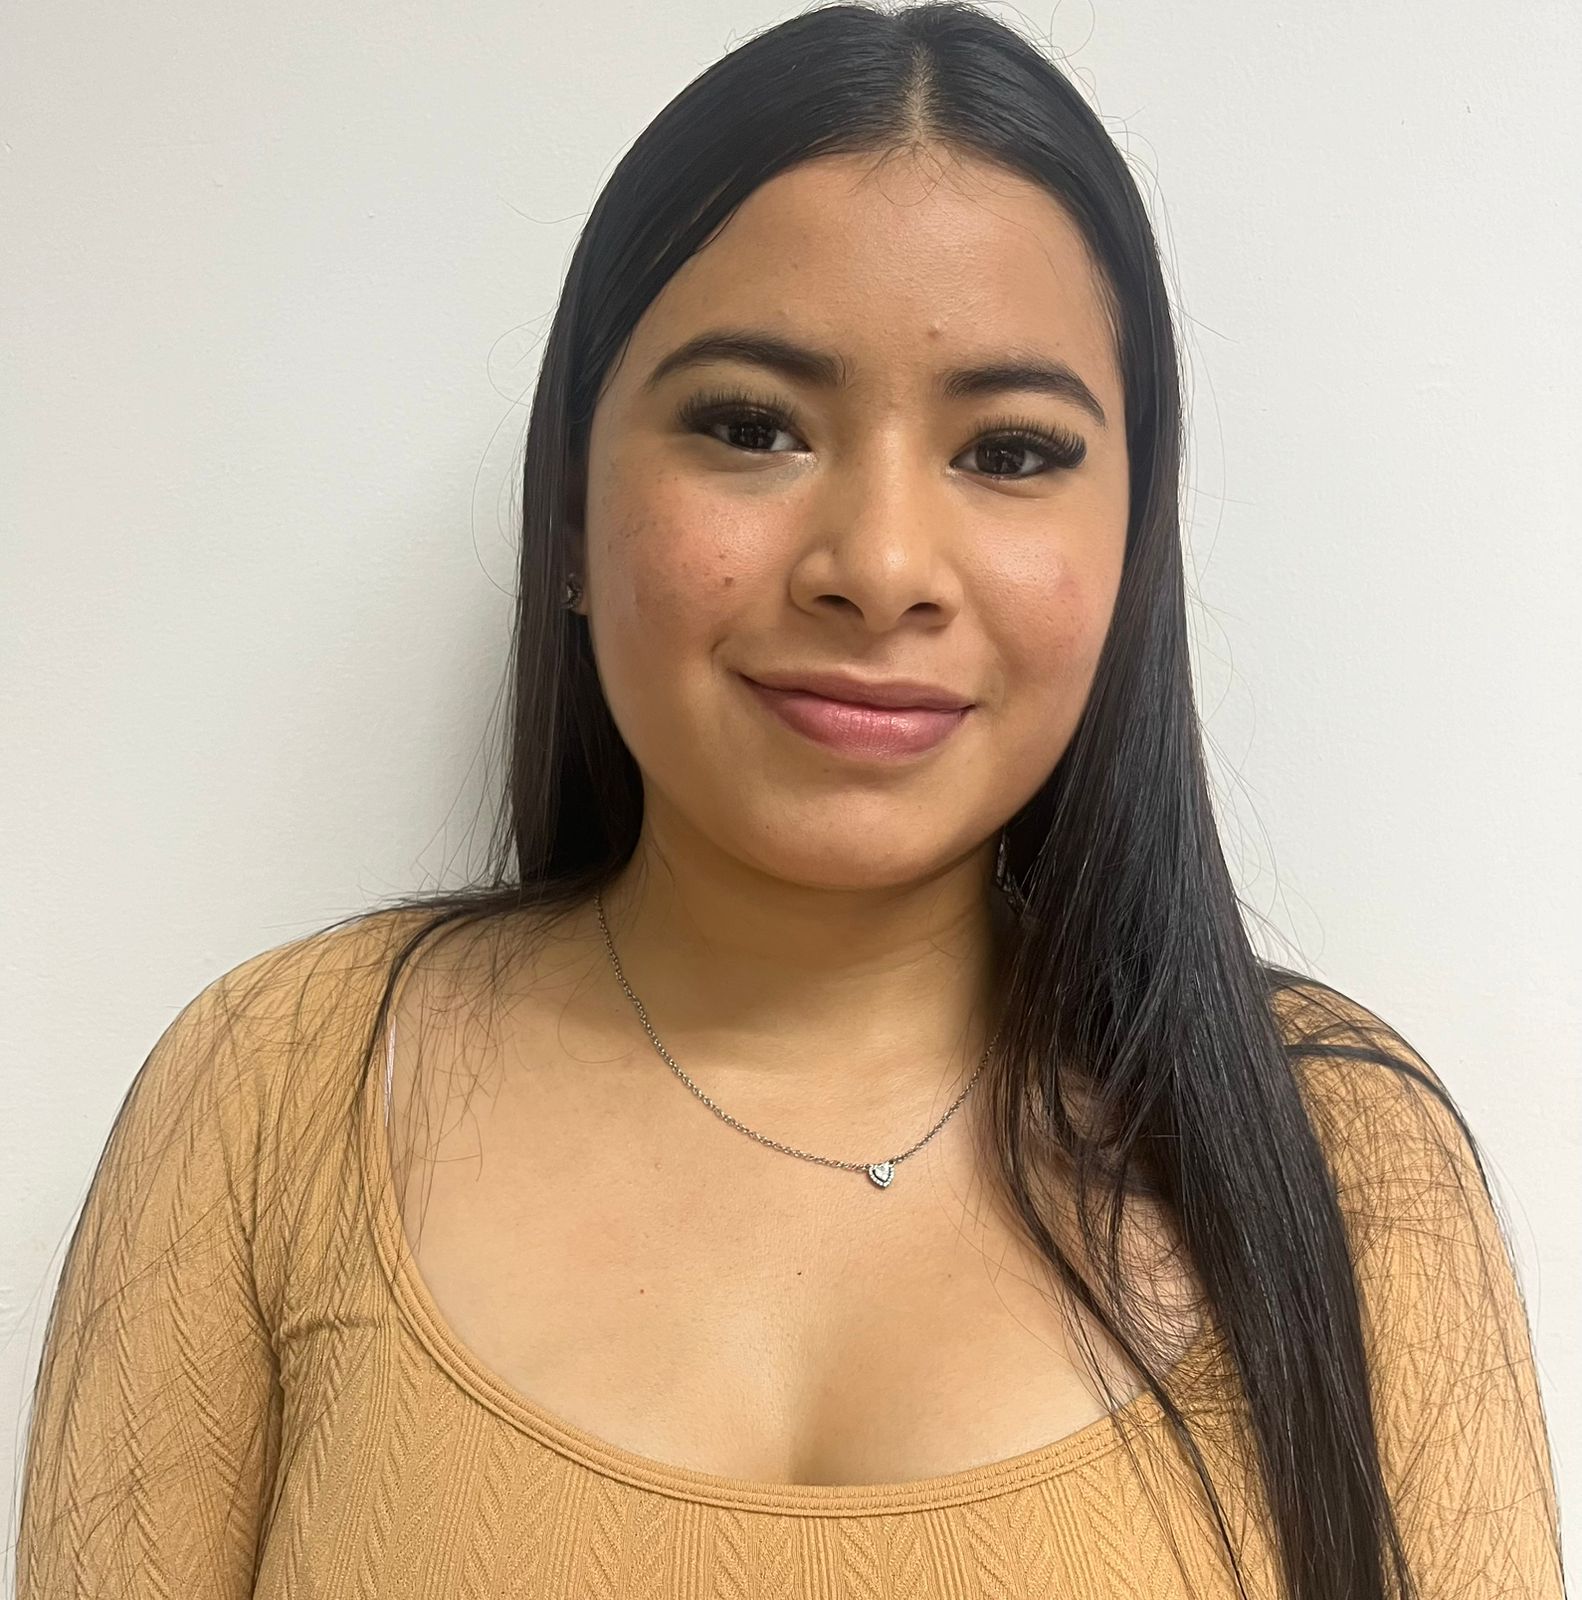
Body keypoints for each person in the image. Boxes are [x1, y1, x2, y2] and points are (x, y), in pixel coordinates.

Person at [15, 4, 1564, 1597]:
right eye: (750, 426)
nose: (878, 568)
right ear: (570, 508)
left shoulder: (1344, 1166)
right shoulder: (276, 1093)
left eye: (1009, 451)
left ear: (1127, 549)